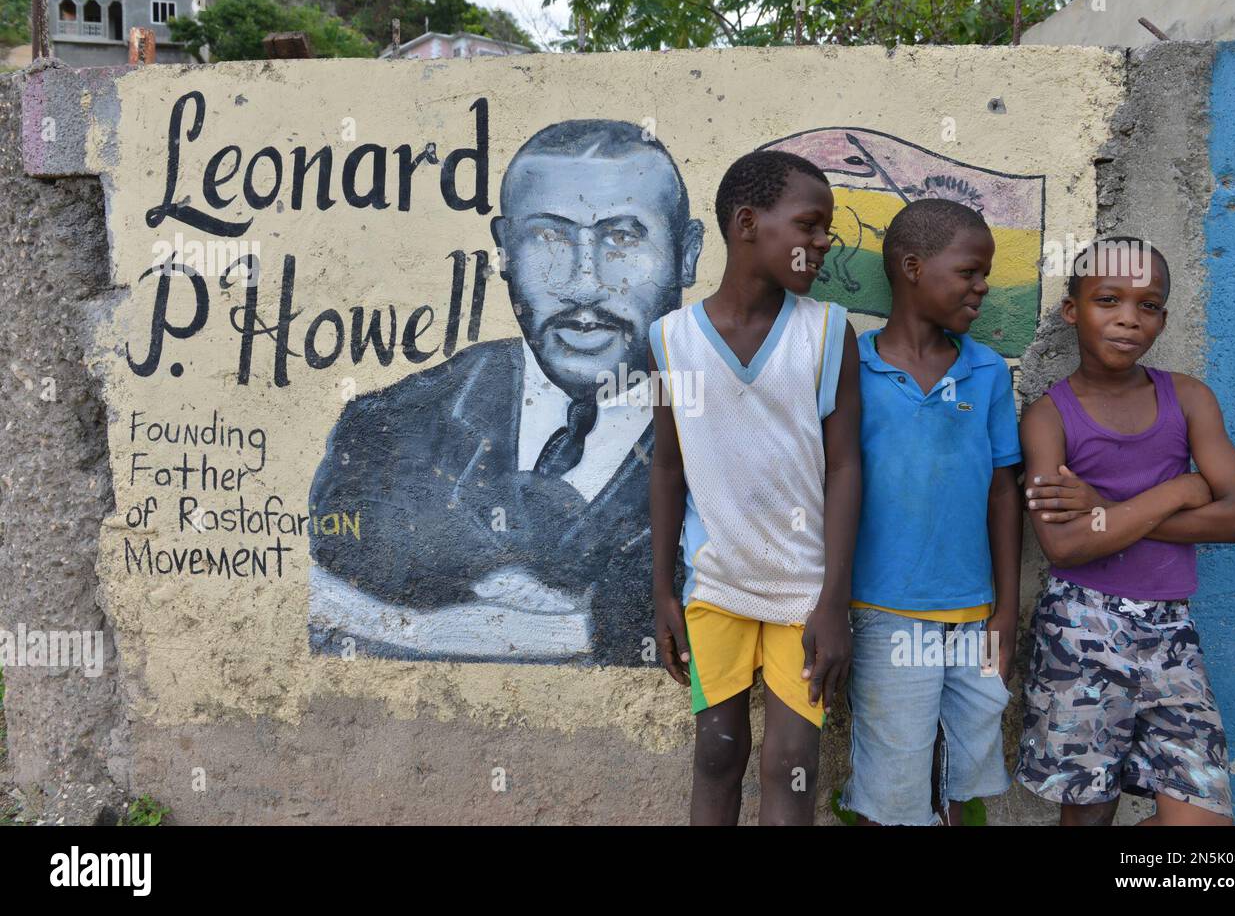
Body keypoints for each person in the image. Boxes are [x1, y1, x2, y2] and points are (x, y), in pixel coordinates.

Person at [308, 119, 704, 664]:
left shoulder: (728, 425)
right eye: (548, 237)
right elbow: (342, 534)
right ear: (503, 251)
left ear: (687, 253)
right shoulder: (390, 425)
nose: (583, 282)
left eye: (621, 238)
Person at [649, 150, 860, 825]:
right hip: (717, 587)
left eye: (825, 229)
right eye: (809, 225)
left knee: (790, 765)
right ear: (747, 224)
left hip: (804, 593)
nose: (823, 242)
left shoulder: (828, 334)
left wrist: (833, 602)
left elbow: (846, 468)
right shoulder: (670, 340)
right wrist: (662, 590)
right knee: (716, 753)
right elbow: (667, 466)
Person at [1016, 237, 1235, 825]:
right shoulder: (1049, 416)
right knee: (1091, 814)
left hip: (1170, 630)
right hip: (1079, 628)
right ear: (1072, 309)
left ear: (1163, 319)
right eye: (1108, 299)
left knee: (1203, 825)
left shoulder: (1190, 399)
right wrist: (1178, 489)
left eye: (1148, 305)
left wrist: (1106, 507)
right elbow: (1065, 543)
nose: (1128, 318)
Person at [840, 198, 1023, 826]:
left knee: (962, 779)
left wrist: (1005, 609)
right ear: (913, 267)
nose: (984, 285)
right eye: (970, 271)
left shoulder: (986, 371)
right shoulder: (851, 369)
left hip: (974, 618)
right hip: (887, 613)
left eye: (986, 273)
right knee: (892, 782)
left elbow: (1004, 491)